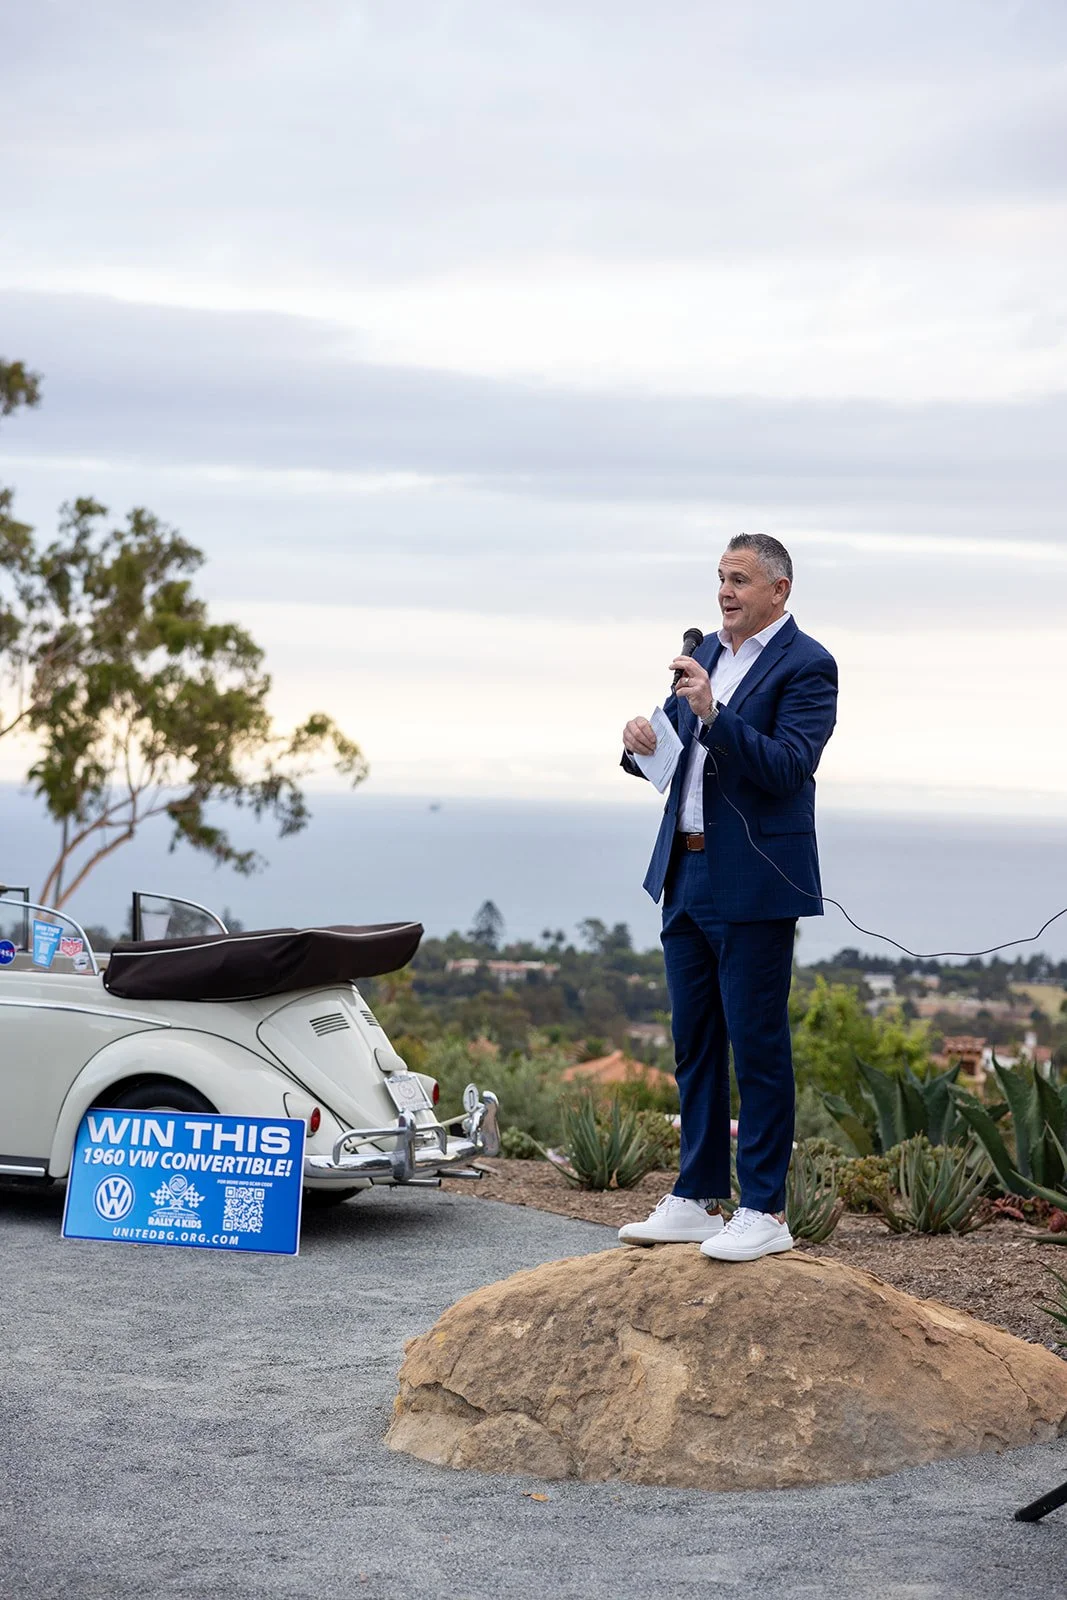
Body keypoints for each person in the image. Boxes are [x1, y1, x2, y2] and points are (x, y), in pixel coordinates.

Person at [618, 533, 838, 1261]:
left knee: (757, 1046)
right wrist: (640, 737)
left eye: (739, 580)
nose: (724, 592)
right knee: (695, 1045)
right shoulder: (705, 654)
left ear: (779, 590)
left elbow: (786, 767)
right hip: (684, 872)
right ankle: (697, 1196)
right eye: (719, 578)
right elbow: (668, 754)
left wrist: (716, 716)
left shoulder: (807, 665)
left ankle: (765, 1211)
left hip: (753, 883)